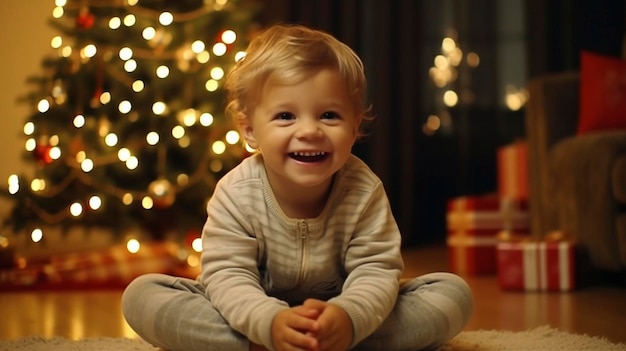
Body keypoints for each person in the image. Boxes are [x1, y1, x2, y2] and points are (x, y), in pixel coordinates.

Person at [122, 24, 473, 351]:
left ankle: (333, 339)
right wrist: (268, 323)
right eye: (286, 116)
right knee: (143, 295)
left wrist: (349, 318)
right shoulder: (236, 192)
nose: (309, 131)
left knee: (451, 294)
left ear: (354, 127)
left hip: (339, 311)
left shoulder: (363, 190)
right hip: (253, 315)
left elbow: (375, 270)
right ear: (249, 130)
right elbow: (228, 275)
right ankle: (274, 343)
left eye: (329, 115)